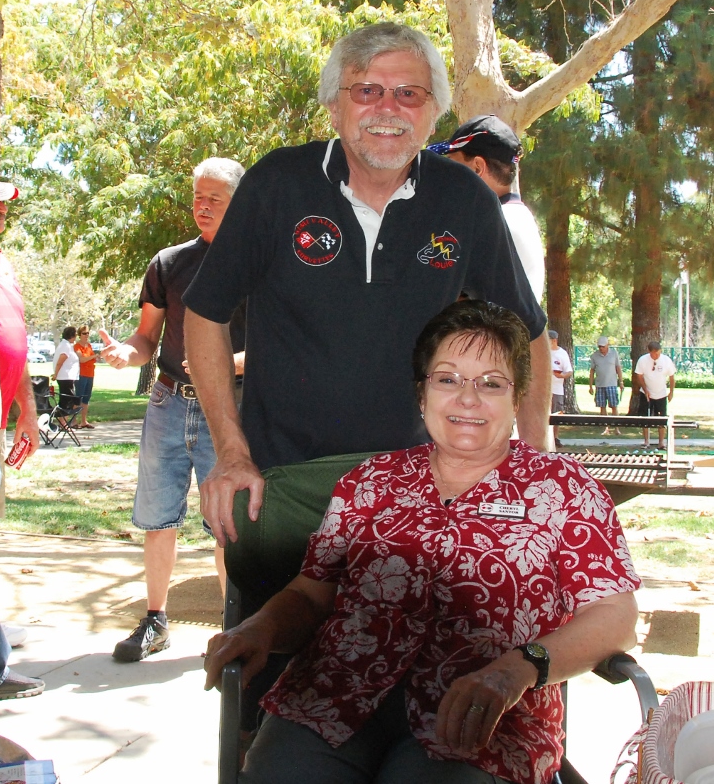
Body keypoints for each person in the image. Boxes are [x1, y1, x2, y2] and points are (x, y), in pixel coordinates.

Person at [203, 300, 639, 784]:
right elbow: (310, 595)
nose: (467, 399)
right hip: (330, 700)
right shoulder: (370, 481)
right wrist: (259, 628)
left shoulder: (563, 488)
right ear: (422, 394)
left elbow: (615, 616)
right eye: (448, 379)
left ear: (517, 400)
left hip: (484, 716)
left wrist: (518, 669)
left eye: (491, 383)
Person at [185, 22, 552, 550]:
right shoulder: (277, 184)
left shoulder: (464, 199)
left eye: (408, 93)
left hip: (417, 489)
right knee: (273, 635)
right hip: (284, 485)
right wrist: (231, 452)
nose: (388, 108)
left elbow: (526, 328)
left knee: (408, 633)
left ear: (432, 113)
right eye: (366, 91)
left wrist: (533, 461)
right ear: (335, 107)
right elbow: (205, 312)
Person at [99, 157, 247, 663]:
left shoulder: (261, 264)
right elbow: (146, 337)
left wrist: (225, 361)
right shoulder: (169, 262)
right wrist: (126, 353)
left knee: (226, 524)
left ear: (239, 204)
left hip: (224, 407)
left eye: (215, 200)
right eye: (197, 198)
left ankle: (233, 627)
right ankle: (155, 620)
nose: (202, 208)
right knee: (157, 518)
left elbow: (280, 344)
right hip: (167, 401)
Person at [0, 180, 44, 703]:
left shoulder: (2, 260)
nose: (2, 205)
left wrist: (27, 408)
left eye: (6, 201)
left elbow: (16, 341)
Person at [429, 115, 544, 301]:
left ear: (477, 168)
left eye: (452, 162)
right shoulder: (516, 215)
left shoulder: (496, 223)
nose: (446, 174)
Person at [632, 340, 677, 449]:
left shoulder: (666, 360)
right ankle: (646, 441)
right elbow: (639, 376)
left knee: (661, 418)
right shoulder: (643, 360)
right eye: (654, 353)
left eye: (658, 353)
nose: (656, 355)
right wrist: (645, 389)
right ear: (649, 351)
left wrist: (671, 392)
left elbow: (672, 377)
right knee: (645, 418)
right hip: (646, 394)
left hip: (661, 394)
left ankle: (661, 442)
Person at [588, 336, 623, 433]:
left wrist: (621, 382)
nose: (601, 348)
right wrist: (591, 386)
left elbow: (618, 368)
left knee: (614, 406)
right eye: (599, 346)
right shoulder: (594, 356)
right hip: (600, 385)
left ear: (607, 345)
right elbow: (592, 371)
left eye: (603, 346)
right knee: (602, 406)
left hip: (611, 384)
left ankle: (617, 428)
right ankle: (606, 428)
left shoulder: (614, 353)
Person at [548, 330, 573, 448]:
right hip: (544, 389)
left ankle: (555, 437)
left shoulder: (562, 353)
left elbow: (569, 371)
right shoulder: (542, 352)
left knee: (556, 414)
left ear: (554, 340)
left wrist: (562, 375)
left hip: (557, 389)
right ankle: (545, 438)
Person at [52, 325, 80, 420]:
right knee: (67, 400)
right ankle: (63, 422)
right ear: (72, 336)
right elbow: (60, 361)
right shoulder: (66, 346)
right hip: (65, 377)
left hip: (68, 377)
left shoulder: (66, 345)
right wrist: (55, 374)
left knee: (68, 399)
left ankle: (64, 421)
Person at [73, 326, 96, 428]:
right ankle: (73, 421)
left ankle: (83, 421)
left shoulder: (89, 346)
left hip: (90, 374)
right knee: (78, 397)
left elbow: (90, 359)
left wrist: (95, 357)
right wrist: (94, 356)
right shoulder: (77, 346)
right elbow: (81, 359)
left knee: (86, 398)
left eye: (87, 333)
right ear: (79, 335)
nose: (86, 335)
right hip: (81, 375)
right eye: (84, 333)